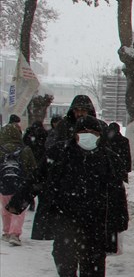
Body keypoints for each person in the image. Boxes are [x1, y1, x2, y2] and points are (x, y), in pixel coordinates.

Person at [45, 115, 129, 277]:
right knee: (63, 258)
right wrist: (19, 202)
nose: (88, 137)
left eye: (93, 133)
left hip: (96, 223)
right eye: (83, 133)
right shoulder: (61, 154)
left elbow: (117, 192)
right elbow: (40, 178)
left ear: (99, 136)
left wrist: (119, 221)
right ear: (75, 135)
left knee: (93, 265)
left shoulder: (108, 158)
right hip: (67, 221)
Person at [35, 95, 102, 243]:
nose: (80, 113)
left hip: (92, 189)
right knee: (64, 247)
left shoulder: (98, 126)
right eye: (77, 110)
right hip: (65, 185)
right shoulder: (63, 126)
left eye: (83, 110)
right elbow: (52, 148)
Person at [1, 114, 37, 246]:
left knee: (5, 209)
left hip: (4, 184)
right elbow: (33, 168)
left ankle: (6, 232)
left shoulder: (1, 150)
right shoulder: (25, 150)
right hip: (21, 184)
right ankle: (14, 234)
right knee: (18, 210)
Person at [21, 119, 48, 211]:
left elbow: (24, 144)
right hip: (41, 160)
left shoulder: (29, 133)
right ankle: (40, 201)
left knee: (31, 183)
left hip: (30, 159)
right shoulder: (44, 133)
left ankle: (31, 202)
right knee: (40, 183)